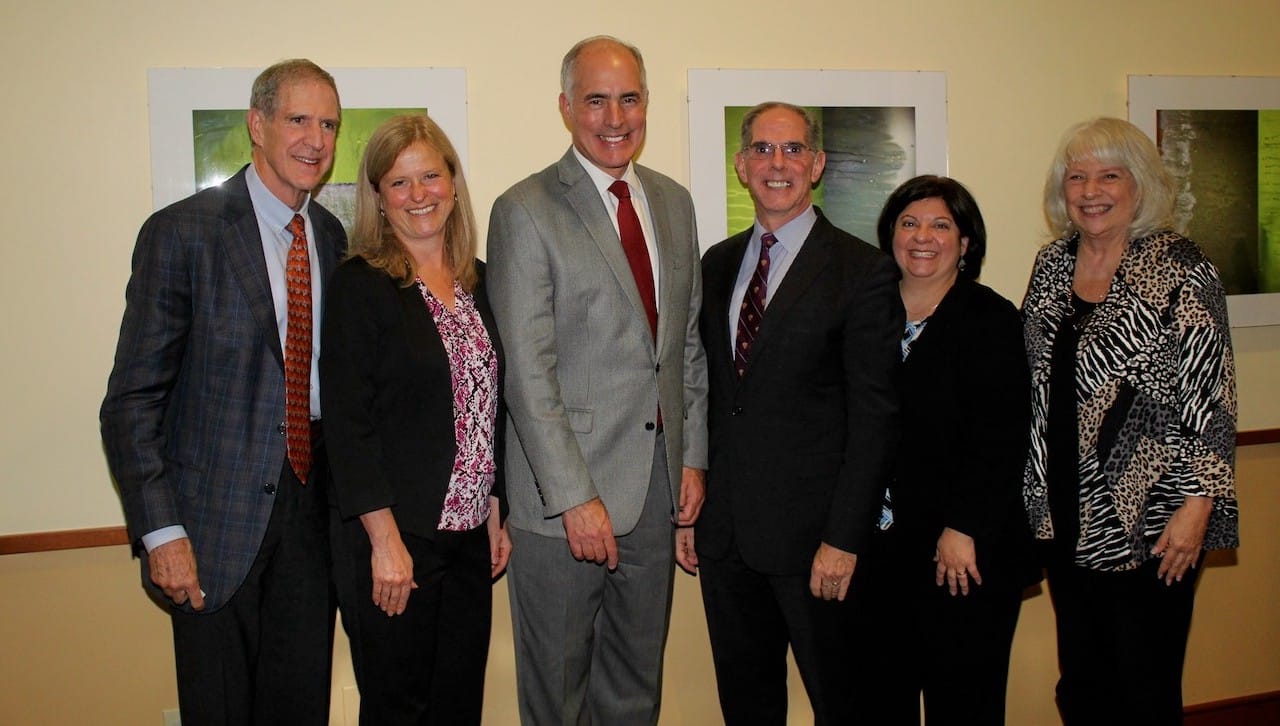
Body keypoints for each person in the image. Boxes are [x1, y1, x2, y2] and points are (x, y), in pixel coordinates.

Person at [100, 59, 344, 725]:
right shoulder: (184, 232)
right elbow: (131, 401)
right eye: (298, 119)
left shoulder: (328, 235)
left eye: (329, 124)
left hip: (311, 517)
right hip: (212, 528)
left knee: (300, 708)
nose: (315, 140)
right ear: (256, 125)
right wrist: (161, 531)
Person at [486, 35, 709, 725]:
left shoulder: (673, 203)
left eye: (630, 98)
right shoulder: (523, 209)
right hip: (563, 506)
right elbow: (526, 373)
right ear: (565, 108)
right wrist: (574, 498)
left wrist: (693, 459)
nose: (615, 117)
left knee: (634, 689)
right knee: (556, 694)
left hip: (656, 489)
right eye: (595, 100)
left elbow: (686, 347)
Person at [688, 101, 902, 724]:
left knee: (843, 705)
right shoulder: (719, 264)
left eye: (791, 150)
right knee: (747, 707)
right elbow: (709, 395)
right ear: (740, 164)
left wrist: (843, 538)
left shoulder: (863, 272)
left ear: (817, 164)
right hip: (727, 541)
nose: (776, 163)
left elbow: (875, 421)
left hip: (817, 548)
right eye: (761, 149)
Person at [1023, 117, 1238, 725]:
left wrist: (1199, 506)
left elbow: (1211, 392)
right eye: (1077, 176)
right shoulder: (1051, 266)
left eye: (1109, 175)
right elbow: (1032, 379)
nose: (1091, 190)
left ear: (1139, 185)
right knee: (1083, 681)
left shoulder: (1180, 265)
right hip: (1065, 509)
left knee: (1142, 683)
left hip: (1154, 517)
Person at [321, 114, 510, 724]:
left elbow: (487, 407)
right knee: (399, 708)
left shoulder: (479, 281)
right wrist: (385, 544)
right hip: (397, 541)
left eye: (430, 175)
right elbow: (348, 426)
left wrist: (494, 513)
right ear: (378, 197)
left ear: (453, 182)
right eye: (399, 183)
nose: (419, 193)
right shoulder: (361, 286)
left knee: (458, 707)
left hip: (468, 539)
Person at [851, 175, 1037, 725]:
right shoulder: (868, 315)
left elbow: (1001, 436)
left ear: (966, 242)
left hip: (962, 555)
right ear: (890, 236)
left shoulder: (990, 318)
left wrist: (964, 528)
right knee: (884, 702)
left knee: (966, 703)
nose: (922, 236)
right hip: (884, 555)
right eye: (909, 223)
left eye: (940, 225)